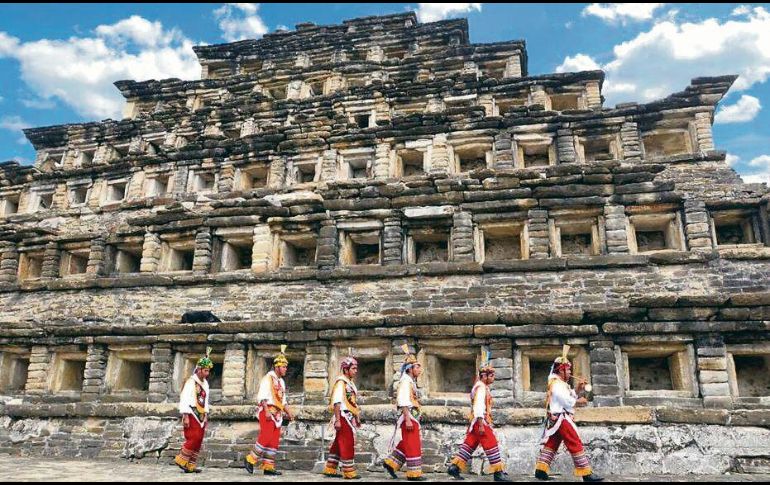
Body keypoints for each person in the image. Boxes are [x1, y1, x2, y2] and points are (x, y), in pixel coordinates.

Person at [534, 345, 603, 482]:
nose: (570, 372)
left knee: (553, 442)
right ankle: (586, 473)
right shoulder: (556, 384)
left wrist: (578, 389)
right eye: (568, 369)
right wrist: (579, 401)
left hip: (557, 417)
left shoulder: (560, 383)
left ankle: (540, 470)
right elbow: (566, 401)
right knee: (574, 440)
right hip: (561, 417)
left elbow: (569, 395)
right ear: (561, 370)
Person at [447, 350, 511, 482]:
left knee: (470, 444)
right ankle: (498, 473)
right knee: (492, 443)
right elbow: (478, 407)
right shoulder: (481, 388)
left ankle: (454, 467)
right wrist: (481, 424)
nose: (493, 378)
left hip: (477, 421)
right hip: (480, 420)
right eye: (491, 376)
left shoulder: (480, 386)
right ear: (484, 376)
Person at [244, 345, 294, 476]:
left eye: (286, 367)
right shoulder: (267, 379)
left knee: (274, 440)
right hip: (267, 411)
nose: (286, 369)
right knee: (266, 436)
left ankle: (268, 466)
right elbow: (262, 396)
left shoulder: (281, 382)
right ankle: (250, 459)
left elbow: (283, 401)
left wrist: (289, 412)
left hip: (277, 414)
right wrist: (266, 410)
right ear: (277, 367)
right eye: (283, 367)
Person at [383, 344, 425, 481]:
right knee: (412, 444)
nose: (419, 369)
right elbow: (402, 401)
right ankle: (413, 474)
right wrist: (407, 419)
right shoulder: (405, 382)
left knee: (408, 442)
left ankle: (391, 463)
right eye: (417, 367)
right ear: (410, 369)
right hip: (408, 416)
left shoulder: (409, 381)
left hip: (412, 416)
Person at [174, 348, 213, 473]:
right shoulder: (191, 382)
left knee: (199, 439)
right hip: (191, 413)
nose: (207, 373)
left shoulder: (205, 384)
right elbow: (184, 398)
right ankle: (182, 459)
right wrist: (185, 415)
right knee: (193, 437)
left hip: (201, 415)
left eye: (208, 371)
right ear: (199, 369)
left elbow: (205, 400)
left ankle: (190, 464)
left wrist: (206, 414)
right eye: (205, 370)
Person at [323, 355, 362, 479]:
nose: (356, 371)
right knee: (347, 442)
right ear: (346, 369)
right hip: (343, 416)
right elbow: (337, 402)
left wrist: (356, 415)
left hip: (349, 416)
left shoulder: (349, 383)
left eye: (356, 368)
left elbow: (352, 401)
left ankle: (330, 468)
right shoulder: (341, 383)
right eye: (353, 368)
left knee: (338, 442)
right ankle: (348, 471)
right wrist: (338, 420)